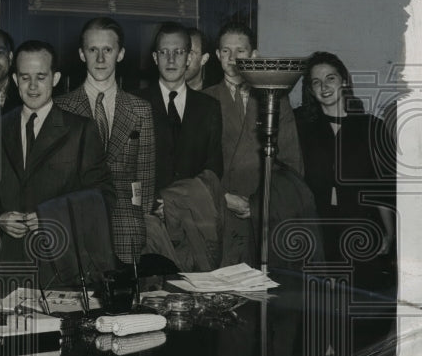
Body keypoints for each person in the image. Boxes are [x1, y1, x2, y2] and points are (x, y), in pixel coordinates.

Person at [0, 40, 115, 270]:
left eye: (41, 77)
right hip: (8, 263)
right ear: (15, 80)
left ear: (56, 78)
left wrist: (50, 214)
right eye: (24, 77)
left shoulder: (81, 130)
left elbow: (104, 196)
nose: (32, 86)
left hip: (62, 262)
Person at [55, 17, 156, 265]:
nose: (100, 59)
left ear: (120, 54)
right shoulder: (61, 108)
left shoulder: (140, 110)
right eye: (93, 50)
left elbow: (145, 180)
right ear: (81, 54)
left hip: (126, 233)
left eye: (108, 50)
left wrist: (137, 226)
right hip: (76, 228)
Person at [204, 21, 304, 264]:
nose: (232, 58)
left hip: (263, 214)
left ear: (254, 55)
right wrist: (222, 196)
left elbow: (292, 165)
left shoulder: (274, 98)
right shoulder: (204, 100)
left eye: (241, 51)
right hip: (219, 210)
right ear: (217, 55)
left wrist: (260, 206)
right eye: (226, 51)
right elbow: (196, 165)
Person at [296, 52, 396, 271]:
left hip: (363, 228)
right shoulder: (302, 128)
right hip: (317, 229)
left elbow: (383, 189)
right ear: (311, 91)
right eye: (316, 82)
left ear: (344, 81)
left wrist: (389, 234)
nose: (324, 86)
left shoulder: (372, 128)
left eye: (330, 78)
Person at [142, 23, 223, 192]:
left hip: (191, 211)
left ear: (188, 58)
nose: (171, 60)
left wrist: (177, 202)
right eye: (164, 52)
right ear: (155, 58)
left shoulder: (209, 108)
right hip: (146, 213)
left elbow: (213, 170)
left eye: (178, 52)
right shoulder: (134, 103)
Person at [184, 27, 210, 91]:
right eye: (181, 52)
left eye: (190, 53)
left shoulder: (214, 95)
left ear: (204, 59)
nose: (184, 59)